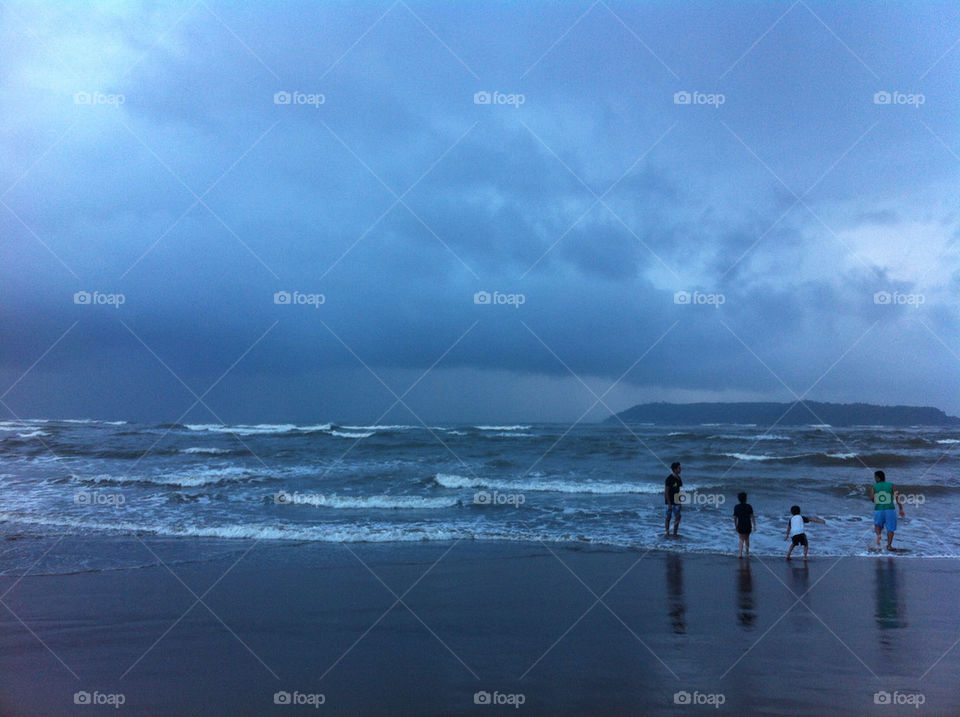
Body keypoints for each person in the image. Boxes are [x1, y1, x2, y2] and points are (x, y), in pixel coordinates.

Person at [868, 470, 905, 551]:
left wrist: (876, 500)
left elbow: (871, 498)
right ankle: (889, 546)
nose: (874, 479)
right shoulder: (892, 485)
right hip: (890, 510)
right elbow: (897, 498)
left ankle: (879, 536)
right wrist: (901, 509)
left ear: (878, 478)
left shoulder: (874, 486)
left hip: (879, 509)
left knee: (877, 525)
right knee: (890, 528)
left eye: (875, 477)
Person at [733, 492, 757, 558]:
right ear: (746, 499)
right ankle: (747, 553)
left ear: (738, 499)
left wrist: (736, 526)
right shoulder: (749, 506)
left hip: (740, 525)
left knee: (741, 539)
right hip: (748, 525)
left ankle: (740, 553)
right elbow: (752, 516)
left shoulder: (736, 507)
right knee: (747, 538)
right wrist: (754, 525)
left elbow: (735, 518)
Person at [664, 462, 683, 536]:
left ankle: (675, 533)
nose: (680, 469)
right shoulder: (669, 479)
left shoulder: (678, 478)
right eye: (679, 468)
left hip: (676, 501)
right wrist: (669, 504)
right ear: (675, 469)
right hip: (669, 501)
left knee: (678, 516)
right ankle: (667, 533)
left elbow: (678, 491)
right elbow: (666, 492)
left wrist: (680, 502)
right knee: (668, 517)